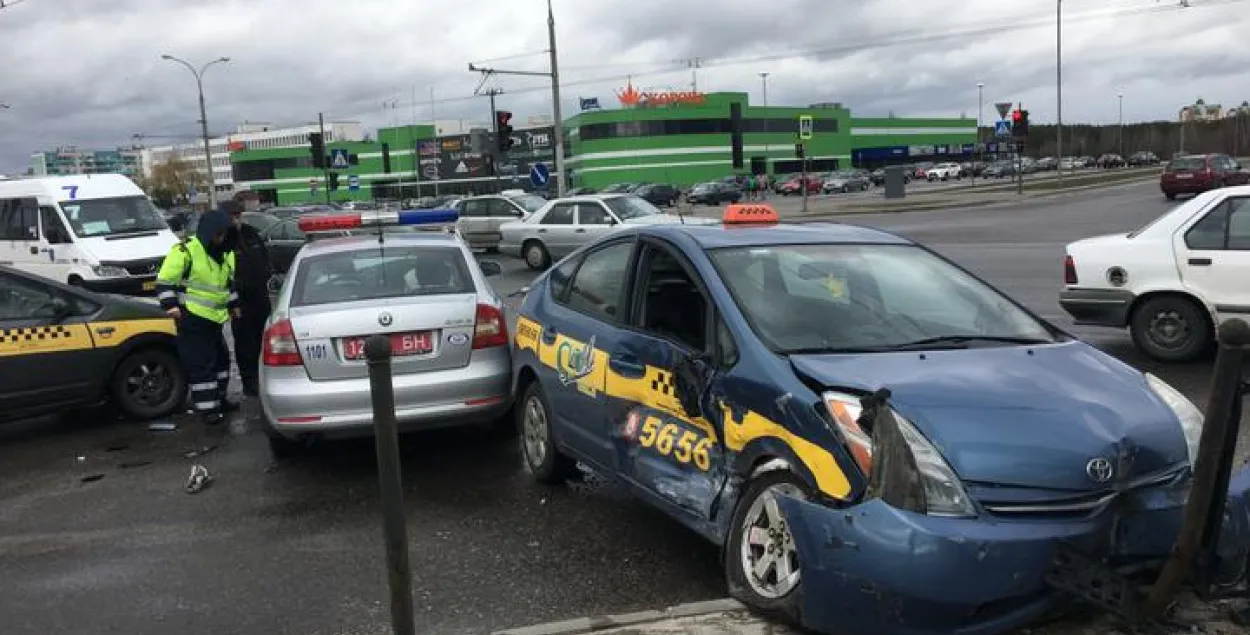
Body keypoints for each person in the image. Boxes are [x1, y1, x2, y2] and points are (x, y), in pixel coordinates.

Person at [155, 208, 240, 427]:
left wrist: (233, 304)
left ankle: (219, 399)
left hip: (215, 318)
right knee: (200, 365)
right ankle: (208, 409)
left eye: (224, 235)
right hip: (192, 316)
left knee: (221, 361)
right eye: (218, 234)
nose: (221, 239)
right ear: (209, 232)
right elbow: (164, 281)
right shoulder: (186, 251)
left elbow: (226, 284)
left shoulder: (226, 253)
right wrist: (171, 306)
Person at [221, 200, 273, 397]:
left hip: (260, 297)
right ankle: (250, 384)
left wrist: (267, 275)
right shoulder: (224, 240)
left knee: (263, 341)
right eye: (232, 216)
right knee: (244, 345)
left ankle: (264, 380)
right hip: (239, 301)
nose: (236, 220)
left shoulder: (251, 234)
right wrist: (232, 301)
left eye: (238, 215)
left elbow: (264, 260)